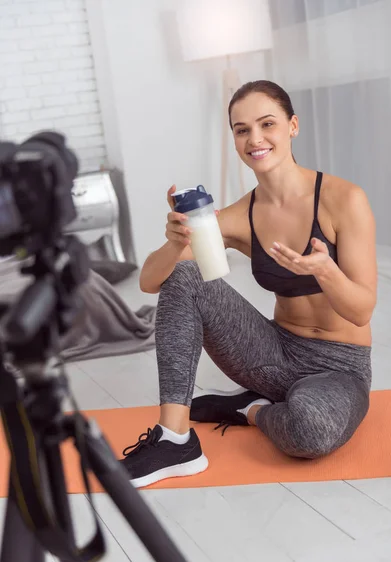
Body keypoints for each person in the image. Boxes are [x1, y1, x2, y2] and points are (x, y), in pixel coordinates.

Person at [120, 80, 377, 488]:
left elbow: (362, 309)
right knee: (187, 273)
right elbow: (152, 282)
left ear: (292, 126)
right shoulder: (239, 215)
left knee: (311, 431)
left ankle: (251, 410)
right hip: (272, 355)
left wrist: (325, 270)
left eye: (267, 124)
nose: (255, 138)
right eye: (242, 130)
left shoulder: (344, 199)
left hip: (339, 369)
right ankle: (174, 440)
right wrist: (174, 243)